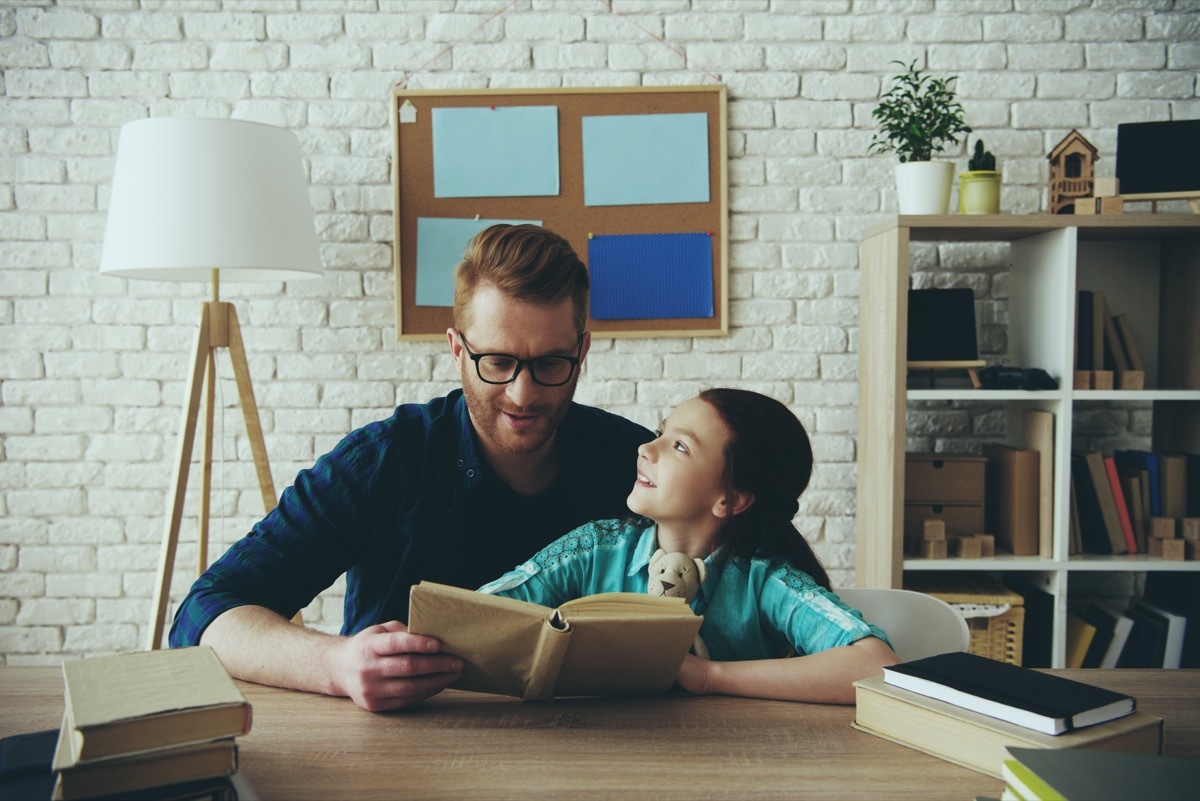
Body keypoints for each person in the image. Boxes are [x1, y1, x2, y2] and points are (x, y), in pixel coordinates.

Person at [169, 224, 653, 711]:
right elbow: (205, 613)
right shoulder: (380, 463)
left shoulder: (634, 462)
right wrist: (336, 665)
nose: (522, 394)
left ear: (582, 351)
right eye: (497, 362)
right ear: (458, 350)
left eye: (550, 364)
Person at [477, 388, 899, 704]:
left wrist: (710, 676)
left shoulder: (765, 580)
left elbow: (877, 667)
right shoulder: (593, 548)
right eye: (661, 433)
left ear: (731, 499)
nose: (645, 448)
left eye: (679, 445)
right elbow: (476, 615)